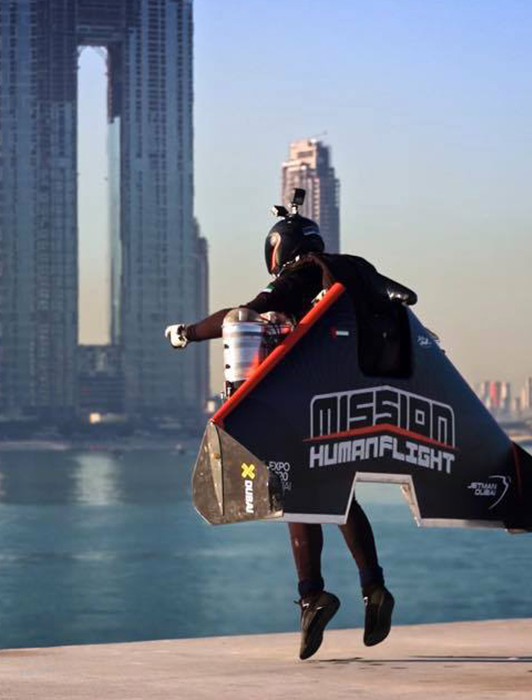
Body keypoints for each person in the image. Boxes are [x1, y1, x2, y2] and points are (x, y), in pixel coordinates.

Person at [164, 204, 400, 660]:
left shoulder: (303, 273)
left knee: (297, 490)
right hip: (361, 399)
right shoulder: (359, 272)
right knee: (339, 493)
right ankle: (374, 586)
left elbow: (243, 314)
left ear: (279, 250)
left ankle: (312, 596)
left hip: (310, 399)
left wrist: (188, 332)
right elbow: (402, 304)